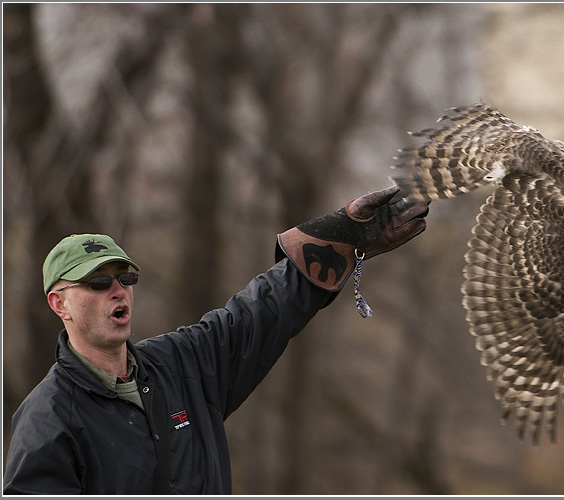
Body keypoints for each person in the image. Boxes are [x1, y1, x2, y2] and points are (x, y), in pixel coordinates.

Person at [3, 186, 428, 495]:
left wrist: (342, 237)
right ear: (59, 304)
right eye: (98, 283)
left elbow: (259, 315)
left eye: (125, 278)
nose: (118, 291)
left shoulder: (182, 364)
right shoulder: (48, 418)